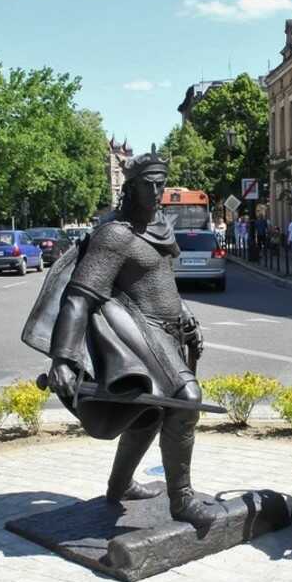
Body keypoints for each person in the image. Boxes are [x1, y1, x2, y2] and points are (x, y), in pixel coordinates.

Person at [45, 150, 217, 526]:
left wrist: (186, 315)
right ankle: (182, 500)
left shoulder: (157, 230)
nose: (157, 192)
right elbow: (78, 297)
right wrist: (63, 357)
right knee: (186, 399)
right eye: (149, 185)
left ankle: (120, 484)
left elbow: (161, 284)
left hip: (168, 333)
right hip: (137, 332)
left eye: (161, 184)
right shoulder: (115, 236)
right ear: (132, 188)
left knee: (150, 409)